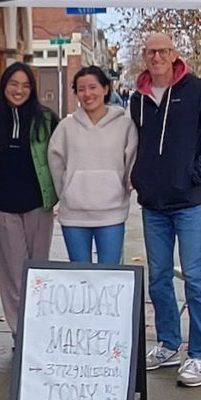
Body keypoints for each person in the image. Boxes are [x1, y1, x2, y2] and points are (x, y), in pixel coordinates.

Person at [130, 33, 201, 388]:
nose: (156, 56)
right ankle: (169, 343)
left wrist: (193, 173)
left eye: (163, 50)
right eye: (150, 51)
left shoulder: (199, 91)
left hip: (188, 204)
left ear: (174, 54)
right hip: (152, 205)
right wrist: (140, 178)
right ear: (144, 57)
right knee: (158, 279)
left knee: (197, 281)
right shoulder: (137, 99)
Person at [0, 63, 58, 337]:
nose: (19, 90)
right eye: (14, 83)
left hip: (38, 203)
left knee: (38, 269)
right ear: (4, 85)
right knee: (13, 272)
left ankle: (38, 328)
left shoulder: (46, 119)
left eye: (25, 85)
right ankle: (19, 331)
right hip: (5, 204)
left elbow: (59, 157)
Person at [49, 66, 137, 265]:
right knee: (80, 278)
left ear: (105, 89)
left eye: (93, 87)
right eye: (81, 89)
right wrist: (68, 193)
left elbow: (131, 162)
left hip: (111, 214)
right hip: (74, 216)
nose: (87, 94)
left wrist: (122, 190)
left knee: (109, 277)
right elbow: (56, 164)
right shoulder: (65, 127)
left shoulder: (124, 125)